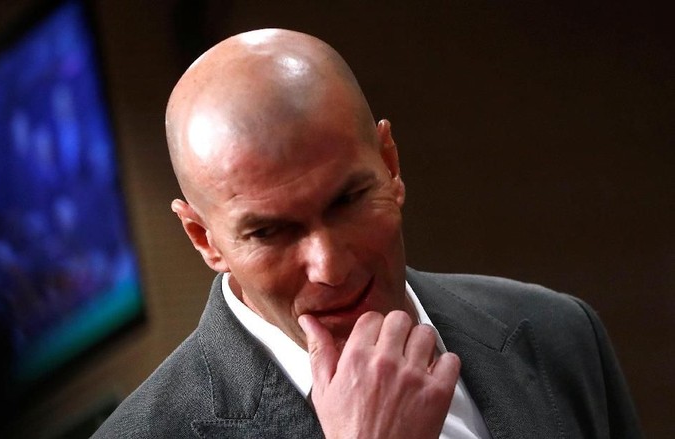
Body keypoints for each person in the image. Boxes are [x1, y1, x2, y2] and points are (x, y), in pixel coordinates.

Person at [92, 28, 641, 438]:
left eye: (347, 200)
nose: (329, 265)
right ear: (204, 239)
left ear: (390, 164)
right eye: (271, 232)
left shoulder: (559, 334)